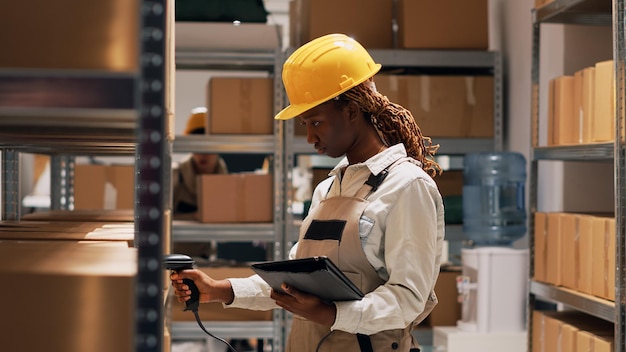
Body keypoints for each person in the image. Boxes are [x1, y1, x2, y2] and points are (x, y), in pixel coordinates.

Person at [170, 33, 445, 352]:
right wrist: (219, 290)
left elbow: (408, 298)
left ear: (352, 111)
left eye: (316, 122)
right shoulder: (328, 189)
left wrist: (332, 314)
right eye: (305, 125)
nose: (310, 137)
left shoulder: (407, 186)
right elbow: (292, 279)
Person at [172, 107, 228, 260]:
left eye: (208, 143)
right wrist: (194, 217)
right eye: (198, 142)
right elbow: (159, 220)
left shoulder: (223, 177)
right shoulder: (175, 175)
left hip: (205, 256)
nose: (203, 151)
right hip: (172, 256)